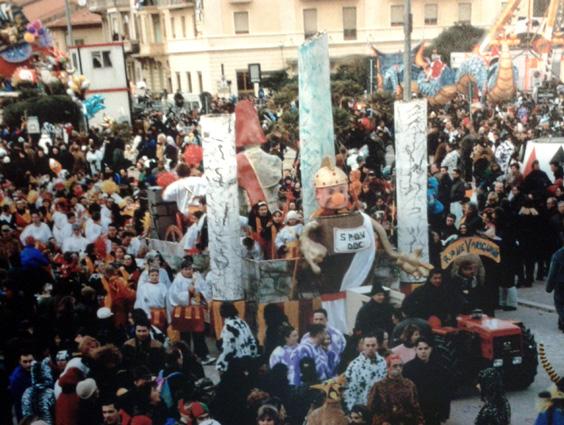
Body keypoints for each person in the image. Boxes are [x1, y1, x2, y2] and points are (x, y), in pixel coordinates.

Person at [167, 259, 214, 363]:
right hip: (184, 311)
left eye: (190, 269)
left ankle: (202, 355)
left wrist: (200, 293)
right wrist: (187, 292)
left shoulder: (197, 277)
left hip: (196, 309)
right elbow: (174, 296)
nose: (189, 271)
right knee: (185, 334)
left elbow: (206, 289)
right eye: (186, 269)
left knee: (199, 333)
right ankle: (186, 355)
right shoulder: (178, 280)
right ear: (181, 270)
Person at [403, 338, 452, 425]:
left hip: (433, 412)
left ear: (431, 349)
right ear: (415, 349)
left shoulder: (439, 368)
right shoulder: (407, 369)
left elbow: (445, 392)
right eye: (420, 349)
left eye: (426, 348)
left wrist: (444, 412)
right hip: (414, 413)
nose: (423, 352)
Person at [367, 354, 424, 425]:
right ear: (388, 367)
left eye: (400, 365)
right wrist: (382, 421)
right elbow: (371, 408)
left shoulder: (409, 384)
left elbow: (416, 407)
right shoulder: (378, 386)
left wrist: (420, 422)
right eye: (395, 366)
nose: (398, 368)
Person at [342, 334, 386, 412]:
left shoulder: (383, 362)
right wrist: (351, 410)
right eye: (367, 345)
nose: (370, 348)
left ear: (377, 346)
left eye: (373, 345)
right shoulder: (354, 365)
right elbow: (350, 390)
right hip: (362, 406)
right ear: (363, 346)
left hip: (380, 406)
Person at [216, 302, 259, 374]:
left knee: (220, 367)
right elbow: (252, 341)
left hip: (237, 361)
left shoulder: (228, 327)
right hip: (248, 358)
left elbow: (228, 349)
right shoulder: (243, 322)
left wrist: (222, 366)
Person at [9, 350, 35, 421]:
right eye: (25, 362)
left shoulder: (36, 369)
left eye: (30, 361)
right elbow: (18, 399)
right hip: (24, 411)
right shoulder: (16, 378)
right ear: (20, 362)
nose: (28, 364)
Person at [546, 246, 564, 332]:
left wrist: (549, 287)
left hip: (561, 284)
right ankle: (561, 322)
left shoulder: (558, 254)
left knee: (560, 303)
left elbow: (553, 273)